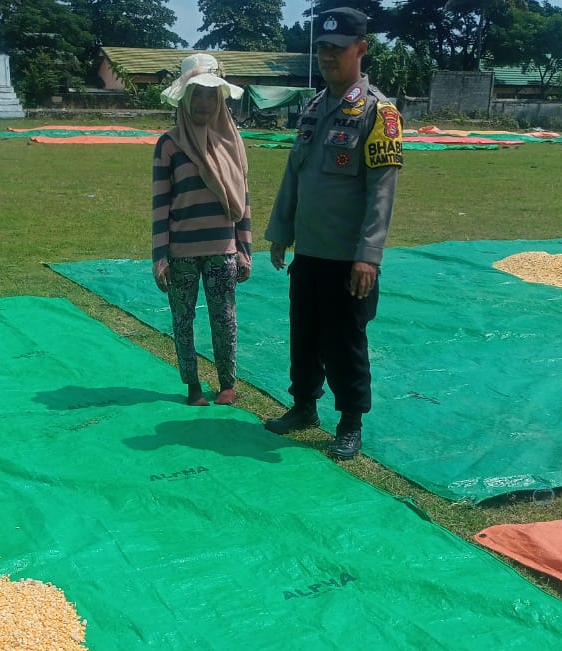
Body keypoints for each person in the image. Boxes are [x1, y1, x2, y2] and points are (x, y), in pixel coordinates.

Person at [263, 6, 403, 459]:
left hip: (348, 257)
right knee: (304, 335)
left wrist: (368, 255)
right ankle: (304, 406)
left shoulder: (379, 113)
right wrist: (281, 231)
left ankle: (350, 423)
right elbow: (294, 174)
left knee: (344, 343)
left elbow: (381, 192)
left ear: (360, 49)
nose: (327, 56)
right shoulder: (314, 107)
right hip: (309, 251)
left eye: (337, 48)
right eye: (322, 47)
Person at [152, 53, 253, 407]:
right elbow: (160, 205)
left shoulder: (232, 143)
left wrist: (245, 250)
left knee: (224, 319)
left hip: (223, 250)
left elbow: (243, 200)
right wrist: (160, 257)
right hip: (181, 253)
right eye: (197, 94)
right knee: (183, 320)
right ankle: (192, 384)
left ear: (220, 99)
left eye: (211, 95)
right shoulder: (169, 144)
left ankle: (227, 383)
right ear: (184, 98)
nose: (204, 102)